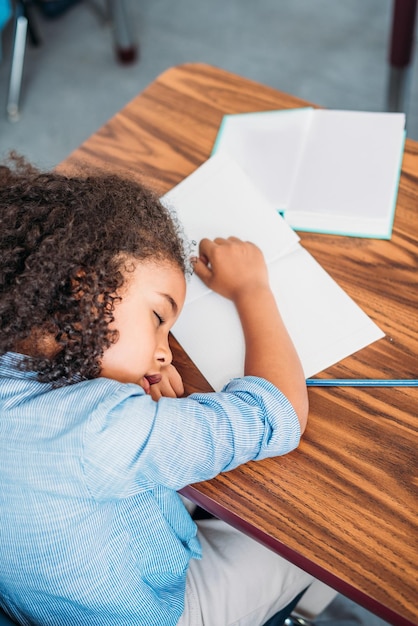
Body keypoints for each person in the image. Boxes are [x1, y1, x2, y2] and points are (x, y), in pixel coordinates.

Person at [0, 155, 313, 626]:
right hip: (161, 612)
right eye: (157, 318)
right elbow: (280, 414)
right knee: (309, 544)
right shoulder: (104, 433)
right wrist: (252, 289)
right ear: (81, 290)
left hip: (39, 604)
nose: (164, 354)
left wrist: (117, 379)